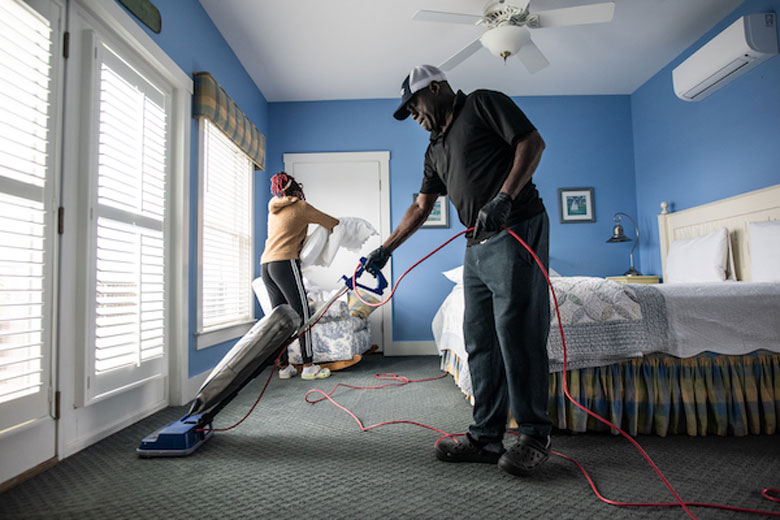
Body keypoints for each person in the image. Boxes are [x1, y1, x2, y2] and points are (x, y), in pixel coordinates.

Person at [365, 65, 552, 477]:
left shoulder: (483, 103)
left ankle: (535, 435)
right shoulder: (434, 150)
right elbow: (420, 206)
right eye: (408, 111)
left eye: (414, 105)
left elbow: (531, 142)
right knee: (479, 339)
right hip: (475, 244)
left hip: (516, 226)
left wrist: (505, 197)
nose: (413, 115)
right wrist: (384, 249)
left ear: (436, 88)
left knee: (517, 331)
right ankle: (486, 437)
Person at [260, 172, 339, 380]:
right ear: (297, 189)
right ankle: (309, 366)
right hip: (285, 263)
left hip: (266, 265)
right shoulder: (301, 207)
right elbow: (333, 222)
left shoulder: (273, 209)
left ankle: (284, 368)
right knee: (303, 313)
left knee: (281, 317)